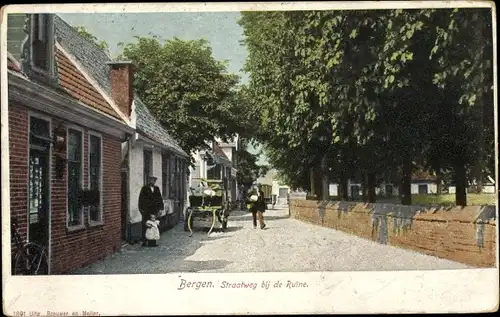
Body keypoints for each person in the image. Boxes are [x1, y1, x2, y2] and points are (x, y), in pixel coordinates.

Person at [138, 175, 164, 246]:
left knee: (154, 226)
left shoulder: (157, 188)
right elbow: (141, 200)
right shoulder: (144, 188)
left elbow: (160, 199)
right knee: (146, 225)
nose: (153, 181)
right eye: (151, 180)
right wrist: (141, 210)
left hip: (154, 210)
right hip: (146, 210)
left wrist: (161, 209)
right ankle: (144, 242)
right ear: (149, 180)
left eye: (154, 180)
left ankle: (152, 242)